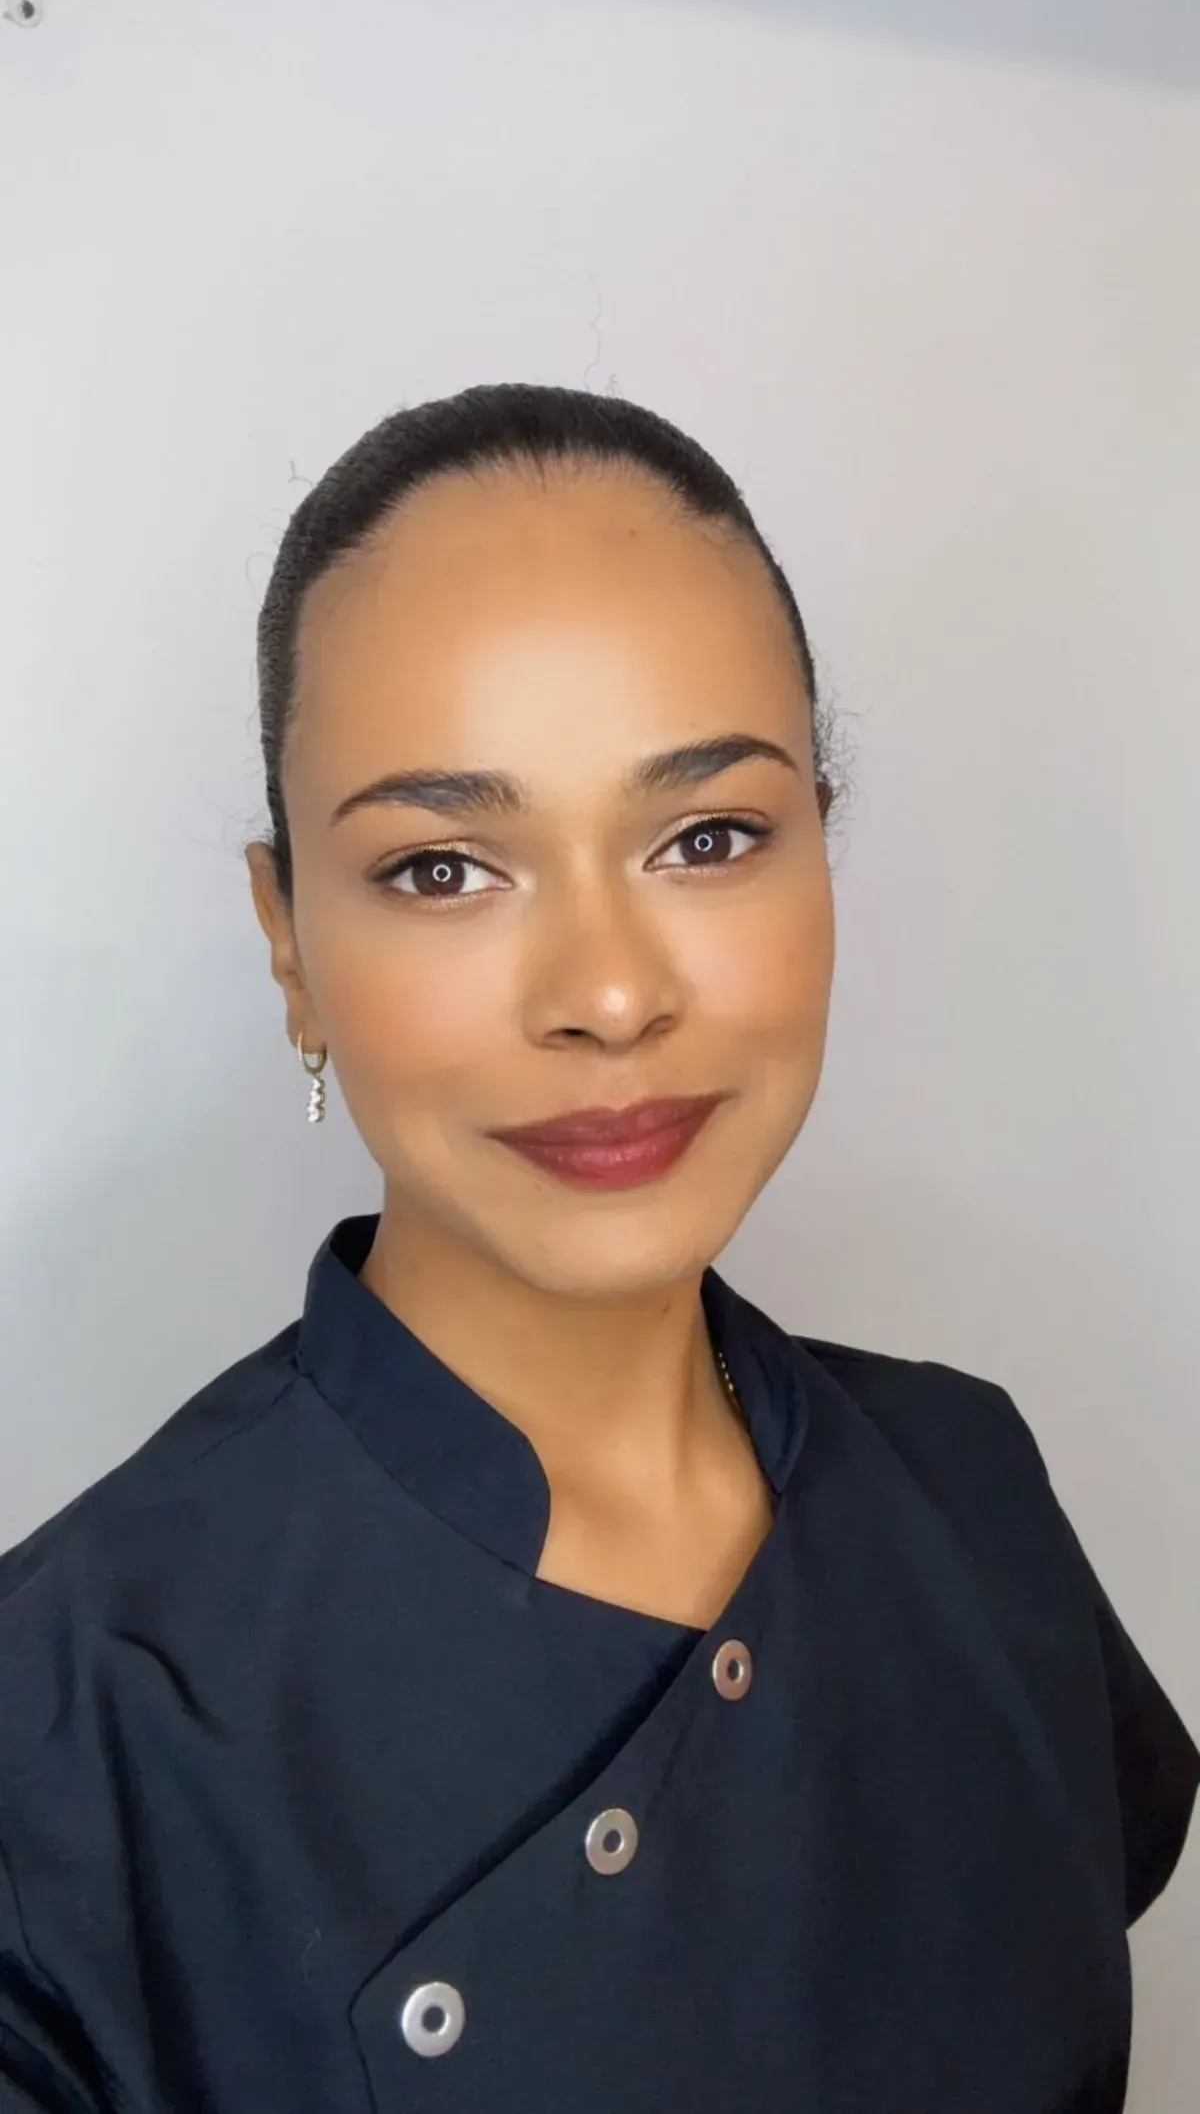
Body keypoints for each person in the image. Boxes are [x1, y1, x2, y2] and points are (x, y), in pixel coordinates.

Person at [0, 384, 1195, 2114]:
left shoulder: (971, 1481)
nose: (614, 993)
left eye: (708, 837)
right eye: (443, 870)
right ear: (287, 943)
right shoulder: (65, 1735)